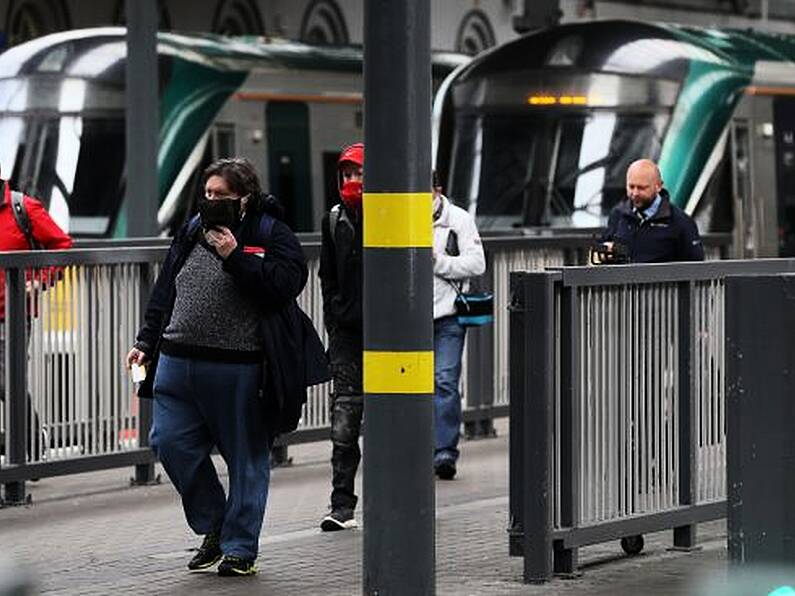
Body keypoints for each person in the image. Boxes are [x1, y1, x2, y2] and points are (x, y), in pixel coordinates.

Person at [126, 158, 314, 577]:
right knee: (169, 441)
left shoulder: (271, 233)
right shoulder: (192, 229)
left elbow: (285, 286)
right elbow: (166, 287)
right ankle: (215, 525)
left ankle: (240, 548)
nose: (212, 201)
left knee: (247, 458)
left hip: (241, 368)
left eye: (222, 196)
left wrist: (236, 257)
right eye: (208, 193)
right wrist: (145, 341)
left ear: (244, 198)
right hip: (176, 360)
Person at [0, 166, 73, 462]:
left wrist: (40, 280)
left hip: (12, 314)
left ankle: (29, 448)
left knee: (7, 382)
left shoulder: (23, 207)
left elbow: (62, 245)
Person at [318, 142, 364, 531]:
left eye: (358, 174)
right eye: (347, 175)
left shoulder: (393, 217)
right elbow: (327, 277)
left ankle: (392, 494)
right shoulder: (333, 220)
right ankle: (341, 503)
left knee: (389, 421)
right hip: (348, 336)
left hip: (390, 338)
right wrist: (335, 318)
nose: (352, 182)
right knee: (344, 424)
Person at [431, 171, 485, 480]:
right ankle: (424, 446)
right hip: (411, 321)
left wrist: (439, 262)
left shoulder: (459, 220)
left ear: (437, 190)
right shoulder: (403, 218)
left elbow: (477, 264)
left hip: (450, 315)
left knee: (445, 379)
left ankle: (445, 451)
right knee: (419, 387)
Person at [598, 159, 704, 263]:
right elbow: (602, 252)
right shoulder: (618, 214)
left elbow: (696, 268)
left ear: (658, 186)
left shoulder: (681, 222)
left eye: (641, 188)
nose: (635, 193)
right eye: (631, 187)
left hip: (664, 280)